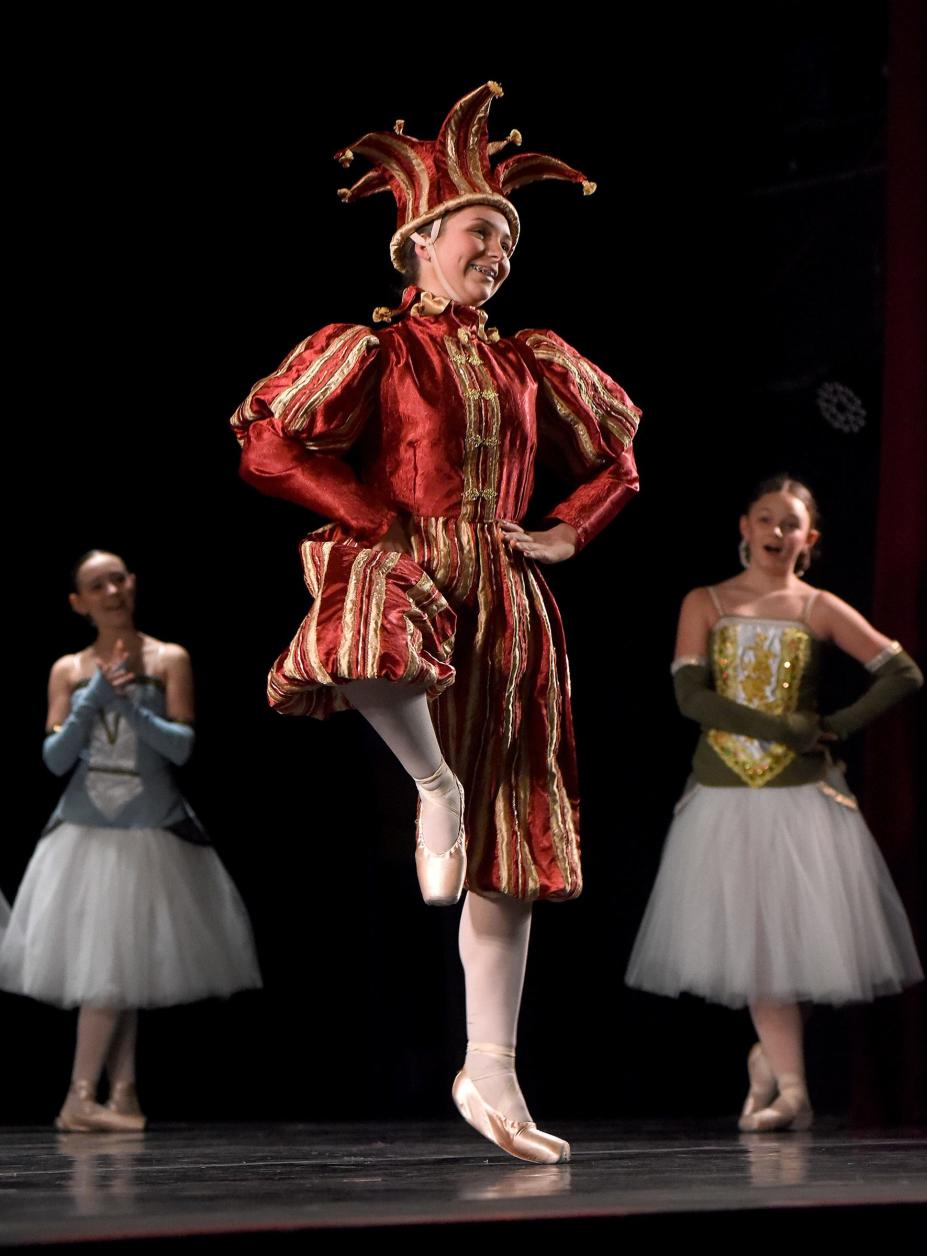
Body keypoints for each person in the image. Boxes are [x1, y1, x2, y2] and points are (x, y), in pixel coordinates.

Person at [231, 82, 641, 1163]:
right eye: (479, 232)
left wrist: (561, 533)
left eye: (508, 237)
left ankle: (491, 1065)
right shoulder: (376, 350)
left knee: (514, 834)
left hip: (505, 581)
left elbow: (621, 464)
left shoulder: (530, 359)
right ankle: (428, 780)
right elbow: (269, 445)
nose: (497, 251)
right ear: (418, 244)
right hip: (408, 557)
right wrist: (375, 516)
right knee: (365, 609)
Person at [625, 475, 923, 1131]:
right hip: (725, 796)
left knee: (803, 953)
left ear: (808, 538)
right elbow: (691, 700)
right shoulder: (705, 601)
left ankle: (771, 1060)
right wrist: (781, 727)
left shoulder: (817, 606)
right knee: (763, 949)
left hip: (803, 798)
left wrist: (834, 726)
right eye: (766, 519)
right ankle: (794, 1091)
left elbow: (902, 672)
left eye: (790, 524)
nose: (776, 533)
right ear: (744, 527)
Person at [0, 550, 262, 1132]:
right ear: (79, 603)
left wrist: (130, 708)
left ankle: (122, 1093)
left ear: (134, 582)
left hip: (151, 827)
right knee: (107, 969)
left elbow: (181, 748)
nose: (112, 591)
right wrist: (94, 699)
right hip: (87, 835)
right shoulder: (68, 669)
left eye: (118, 579)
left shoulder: (169, 658)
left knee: (129, 966)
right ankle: (78, 1098)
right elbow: (54, 759)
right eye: (97, 585)